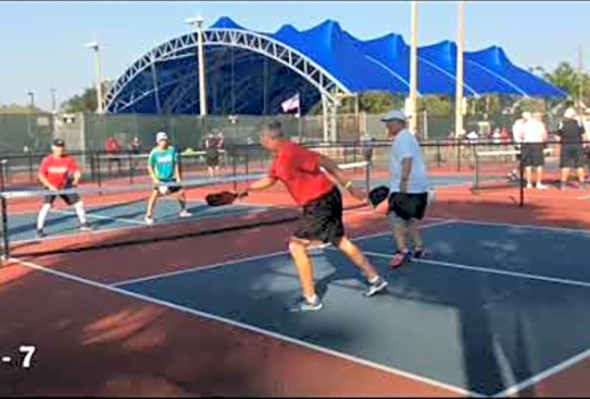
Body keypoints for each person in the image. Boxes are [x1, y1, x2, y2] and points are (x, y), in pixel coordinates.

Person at [238, 121, 388, 312]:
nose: (261, 143)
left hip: (321, 201)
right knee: (340, 240)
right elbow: (269, 179)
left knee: (296, 246)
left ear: (270, 138)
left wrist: (350, 187)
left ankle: (311, 300)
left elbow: (327, 162)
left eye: (262, 139)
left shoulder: (293, 152)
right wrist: (248, 188)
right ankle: (375, 279)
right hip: (322, 200)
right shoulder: (278, 159)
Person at [381, 110, 430, 268]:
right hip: (419, 187)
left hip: (406, 188)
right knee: (412, 220)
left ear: (399, 122)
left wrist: (403, 181)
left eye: (389, 122)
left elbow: (407, 159)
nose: (387, 125)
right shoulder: (408, 137)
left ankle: (402, 251)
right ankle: (419, 248)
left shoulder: (401, 139)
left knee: (394, 218)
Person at [36, 138, 93, 237]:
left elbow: (76, 172)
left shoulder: (69, 160)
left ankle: (84, 224)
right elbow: (41, 175)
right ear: (53, 148)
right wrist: (50, 186)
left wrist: (76, 178)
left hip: (65, 186)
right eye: (57, 147)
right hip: (51, 186)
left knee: (79, 203)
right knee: (47, 206)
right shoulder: (48, 160)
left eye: (61, 147)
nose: (60, 149)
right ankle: (39, 229)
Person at [145, 132, 192, 225]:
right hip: (160, 179)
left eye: (165, 140)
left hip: (171, 178)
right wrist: (155, 179)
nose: (164, 142)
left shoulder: (172, 150)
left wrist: (178, 178)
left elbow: (176, 164)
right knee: (154, 195)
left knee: (181, 192)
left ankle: (183, 211)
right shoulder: (154, 152)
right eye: (161, 140)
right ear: (158, 141)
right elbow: (149, 166)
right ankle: (148, 215)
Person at [556, 108, 588, 190]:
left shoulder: (561, 123)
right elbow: (584, 135)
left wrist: (558, 145)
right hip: (577, 145)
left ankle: (563, 184)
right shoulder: (579, 123)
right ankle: (582, 184)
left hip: (566, 146)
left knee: (565, 165)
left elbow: (558, 136)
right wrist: (585, 144)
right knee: (580, 165)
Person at [519, 111, 548, 189]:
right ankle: (538, 183)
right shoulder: (540, 124)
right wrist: (544, 143)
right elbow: (544, 136)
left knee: (528, 165)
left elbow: (521, 135)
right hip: (536, 144)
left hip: (526, 144)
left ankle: (529, 183)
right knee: (538, 165)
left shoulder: (524, 124)